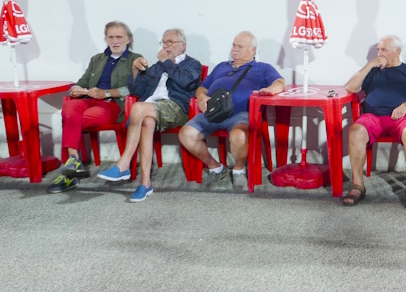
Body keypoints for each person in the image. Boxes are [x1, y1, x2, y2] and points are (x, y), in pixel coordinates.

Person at [96, 29, 202, 202]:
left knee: (138, 108)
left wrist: (167, 62)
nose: (166, 46)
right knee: (146, 121)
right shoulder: (157, 67)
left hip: (176, 108)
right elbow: (137, 90)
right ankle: (145, 184)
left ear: (182, 46)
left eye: (170, 42)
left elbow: (187, 82)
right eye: (164, 42)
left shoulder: (192, 64)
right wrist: (135, 71)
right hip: (151, 108)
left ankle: (124, 164)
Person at [178, 31, 285, 192]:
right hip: (213, 112)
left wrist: (271, 90)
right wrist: (201, 96)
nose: (235, 49)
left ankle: (239, 169)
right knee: (186, 134)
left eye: (240, 46)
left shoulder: (262, 68)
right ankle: (215, 167)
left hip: (241, 114)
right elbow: (203, 87)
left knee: (239, 135)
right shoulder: (222, 66)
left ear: (253, 50)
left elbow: (280, 82)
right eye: (234, 45)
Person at [48, 21, 142, 194]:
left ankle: (69, 174)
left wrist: (106, 93)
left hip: (113, 104)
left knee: (71, 120)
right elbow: (82, 81)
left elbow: (137, 89)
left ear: (128, 39)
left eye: (119, 37)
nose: (115, 41)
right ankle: (74, 159)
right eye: (111, 37)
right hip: (89, 99)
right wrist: (76, 89)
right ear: (106, 39)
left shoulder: (135, 59)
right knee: (69, 106)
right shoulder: (97, 59)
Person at [343, 35, 406, 209]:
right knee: (356, 131)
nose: (379, 53)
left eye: (383, 50)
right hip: (373, 116)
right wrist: (370, 65)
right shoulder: (373, 71)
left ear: (397, 52)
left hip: (402, 117)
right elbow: (350, 87)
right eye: (378, 49)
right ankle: (358, 185)